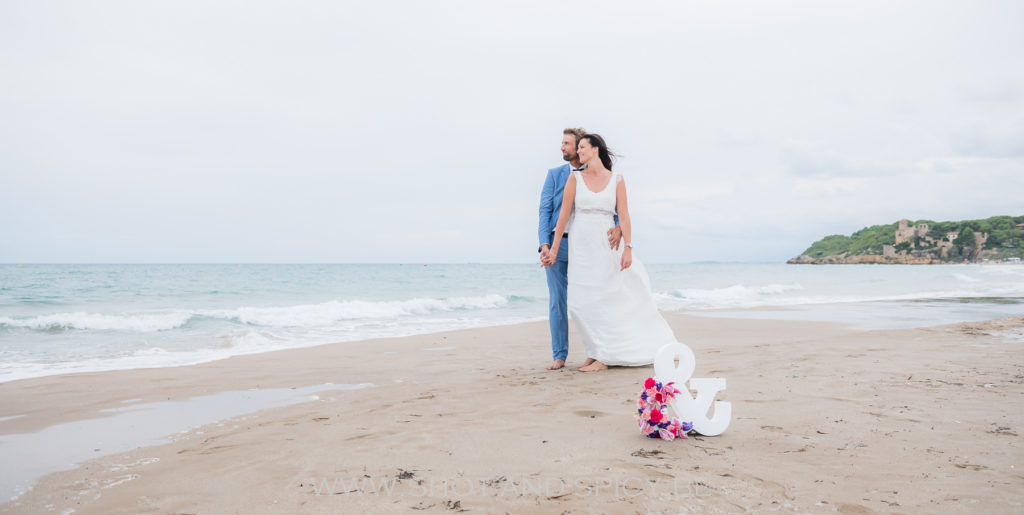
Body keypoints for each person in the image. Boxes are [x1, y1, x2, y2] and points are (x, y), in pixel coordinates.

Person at [543, 133, 678, 372]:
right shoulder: (575, 179)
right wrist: (553, 249)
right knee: (579, 301)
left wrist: (628, 246)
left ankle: (603, 356)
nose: (579, 151)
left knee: (604, 296)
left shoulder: (617, 179)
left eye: (583, 147)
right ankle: (594, 350)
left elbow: (624, 215)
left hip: (606, 244)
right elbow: (563, 217)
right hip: (581, 244)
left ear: (595, 149)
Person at [538, 128, 621, 370]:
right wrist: (544, 244)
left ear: (580, 147)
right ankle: (559, 355)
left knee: (591, 297)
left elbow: (611, 206)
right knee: (558, 300)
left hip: (588, 245)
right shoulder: (555, 175)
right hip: (558, 243)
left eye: (567, 144)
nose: (562, 148)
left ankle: (596, 352)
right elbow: (544, 211)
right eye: (561, 143)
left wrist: (619, 228)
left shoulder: (598, 175)